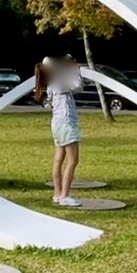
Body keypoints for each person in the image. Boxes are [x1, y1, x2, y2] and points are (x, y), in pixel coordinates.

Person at [36, 55, 83, 207]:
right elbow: (78, 86)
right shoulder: (60, 82)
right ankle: (65, 196)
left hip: (56, 123)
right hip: (66, 122)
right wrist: (76, 71)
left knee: (58, 159)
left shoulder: (51, 84)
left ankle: (57, 194)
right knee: (73, 160)